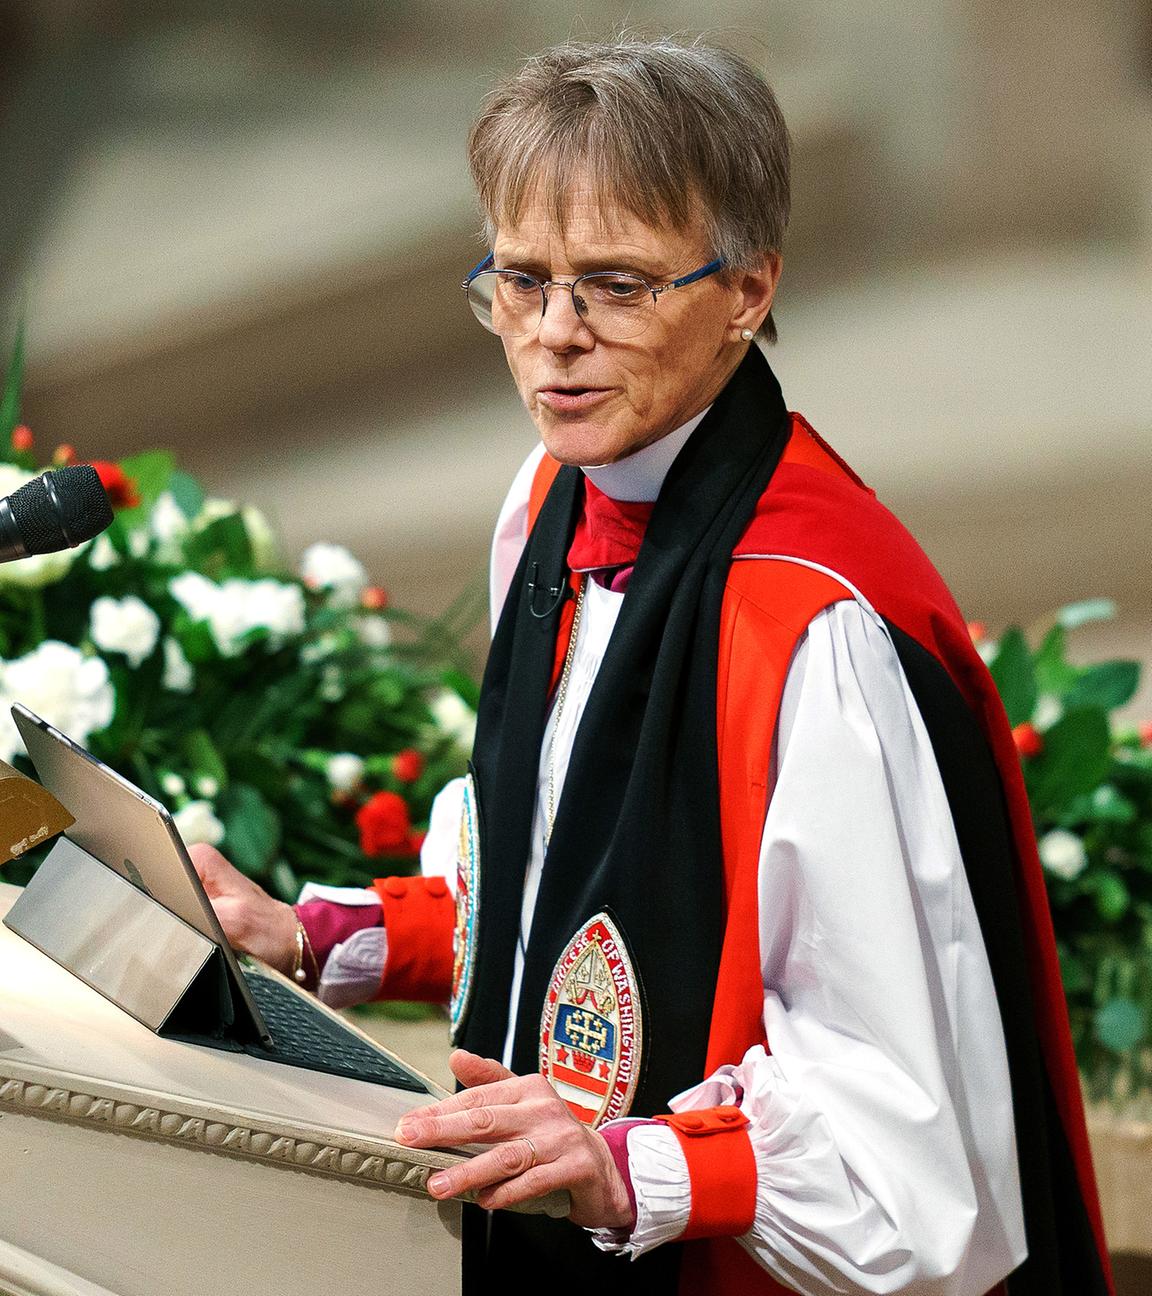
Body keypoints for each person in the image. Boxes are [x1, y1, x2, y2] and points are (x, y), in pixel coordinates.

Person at [192, 36, 1114, 1296]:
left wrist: (631, 1172)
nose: (554, 338)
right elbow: (568, 900)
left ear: (748, 290)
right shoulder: (555, 502)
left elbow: (913, 1171)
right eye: (521, 282)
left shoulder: (808, 628)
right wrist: (317, 934)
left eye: (616, 285)